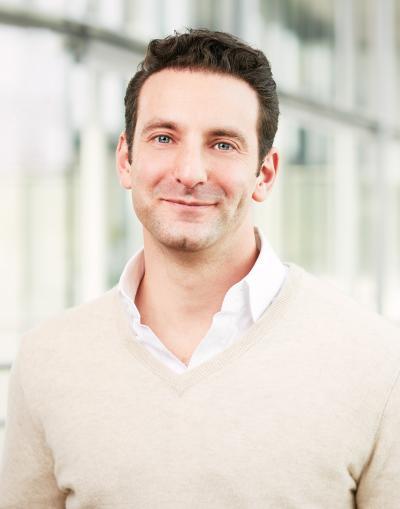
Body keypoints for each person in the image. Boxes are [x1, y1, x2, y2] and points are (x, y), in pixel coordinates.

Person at [0, 28, 399, 509]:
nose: (190, 173)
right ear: (126, 160)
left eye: (223, 144)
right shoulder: (47, 361)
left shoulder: (377, 362)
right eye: (163, 137)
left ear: (265, 173)